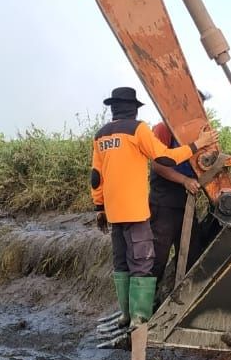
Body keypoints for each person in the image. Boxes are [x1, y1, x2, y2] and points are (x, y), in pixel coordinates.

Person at [90, 86, 217, 330]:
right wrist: (196, 145)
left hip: (117, 212)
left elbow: (96, 177)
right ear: (134, 109)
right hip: (144, 208)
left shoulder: (101, 135)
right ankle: (140, 320)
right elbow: (163, 160)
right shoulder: (143, 130)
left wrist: (99, 207)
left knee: (126, 261)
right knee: (147, 261)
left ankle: (130, 315)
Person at [150, 119, 203, 293]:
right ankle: (143, 307)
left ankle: (185, 298)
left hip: (185, 201)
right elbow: (158, 164)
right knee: (157, 256)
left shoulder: (199, 133)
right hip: (164, 202)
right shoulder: (163, 128)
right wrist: (185, 180)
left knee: (191, 253)